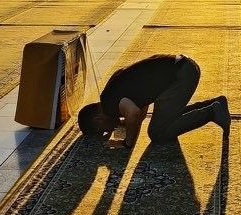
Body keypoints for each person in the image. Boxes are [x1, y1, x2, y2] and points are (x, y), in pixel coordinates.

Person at [78, 54, 231, 149]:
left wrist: (127, 143)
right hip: (183, 65)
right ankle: (215, 103)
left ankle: (212, 112)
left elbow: (133, 113)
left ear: (98, 119)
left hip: (180, 77)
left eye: (104, 130)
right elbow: (139, 106)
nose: (109, 131)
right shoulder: (108, 94)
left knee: (157, 133)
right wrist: (129, 123)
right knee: (165, 121)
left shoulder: (109, 106)